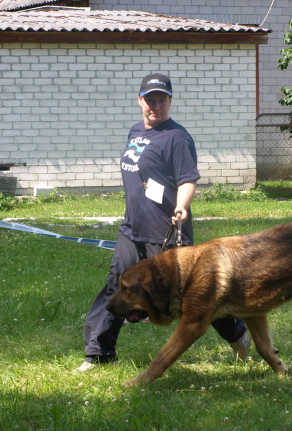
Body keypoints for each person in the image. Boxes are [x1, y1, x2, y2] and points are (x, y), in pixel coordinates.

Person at [76, 73, 250, 372]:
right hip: (133, 229)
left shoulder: (177, 137)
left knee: (191, 295)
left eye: (162, 99)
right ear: (139, 100)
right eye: (150, 99)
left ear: (169, 101)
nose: (156, 105)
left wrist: (182, 206)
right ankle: (99, 354)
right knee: (115, 287)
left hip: (166, 232)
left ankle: (237, 333)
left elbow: (187, 179)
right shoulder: (135, 131)